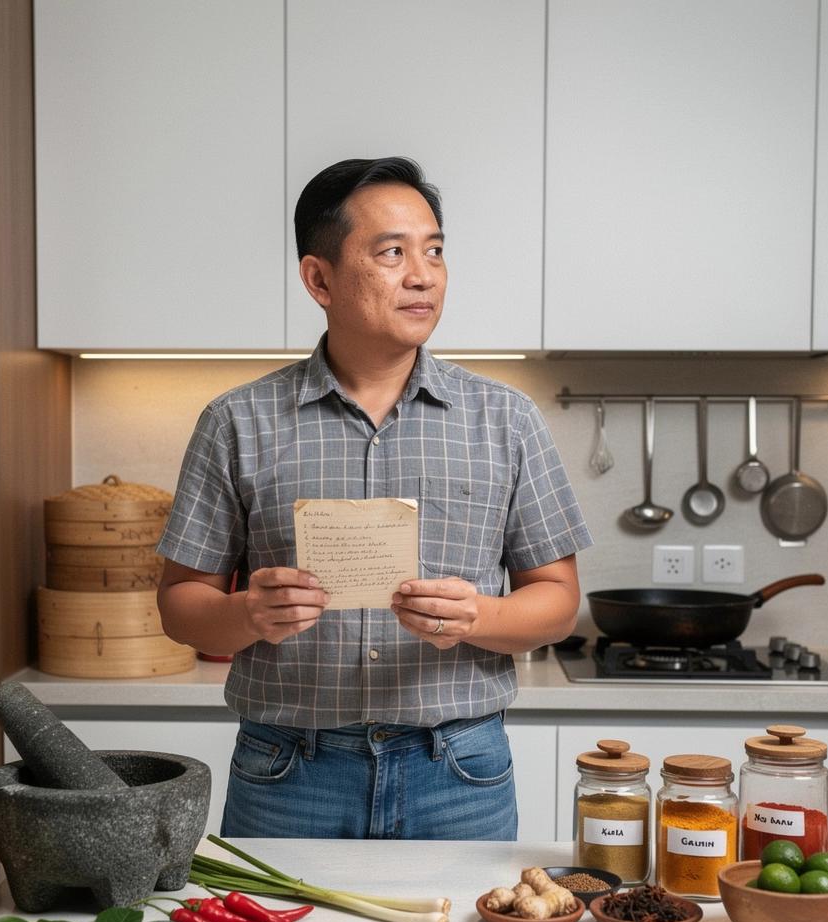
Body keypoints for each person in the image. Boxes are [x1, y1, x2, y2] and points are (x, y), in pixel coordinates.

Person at [156, 157, 592, 840]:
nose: (423, 275)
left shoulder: (506, 418)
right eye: (392, 252)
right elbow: (181, 607)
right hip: (288, 774)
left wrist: (477, 615)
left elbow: (559, 601)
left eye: (435, 251)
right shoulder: (236, 421)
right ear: (319, 278)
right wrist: (248, 613)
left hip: (459, 773)